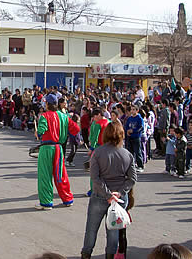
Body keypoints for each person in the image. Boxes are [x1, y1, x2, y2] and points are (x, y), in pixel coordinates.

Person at [81, 121, 137, 259]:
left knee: (91, 229)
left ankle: (86, 254)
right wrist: (120, 192)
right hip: (119, 198)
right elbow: (132, 178)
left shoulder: (98, 153)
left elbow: (95, 177)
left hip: (100, 196)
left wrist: (107, 194)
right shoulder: (127, 154)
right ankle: (110, 256)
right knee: (113, 232)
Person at [34, 93, 79, 210]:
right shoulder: (64, 116)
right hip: (59, 148)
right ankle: (67, 199)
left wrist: (38, 133)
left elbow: (41, 131)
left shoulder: (44, 116)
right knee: (61, 174)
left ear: (47, 104)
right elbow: (76, 129)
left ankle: (46, 202)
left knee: (45, 175)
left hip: (47, 148)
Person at [124, 105, 144, 172]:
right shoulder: (130, 118)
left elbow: (141, 127)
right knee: (130, 152)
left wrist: (133, 130)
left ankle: (140, 165)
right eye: (131, 109)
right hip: (130, 137)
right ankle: (132, 165)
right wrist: (127, 131)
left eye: (134, 109)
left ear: (137, 110)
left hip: (136, 137)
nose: (132, 111)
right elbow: (126, 126)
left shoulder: (139, 118)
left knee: (137, 151)